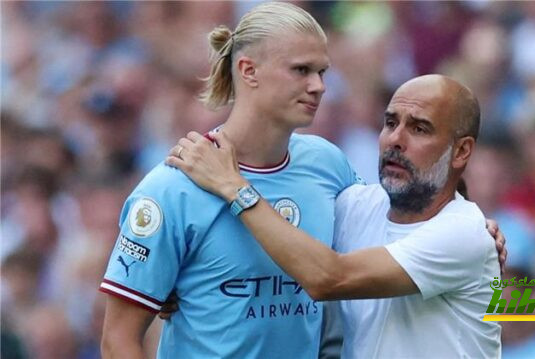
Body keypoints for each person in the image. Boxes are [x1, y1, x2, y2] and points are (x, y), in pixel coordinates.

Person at [165, 74, 502, 358]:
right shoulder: (353, 207)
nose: (395, 140)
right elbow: (279, 236)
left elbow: (328, 278)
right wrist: (190, 279)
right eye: (390, 123)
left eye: (419, 128)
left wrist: (232, 185)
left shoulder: (464, 233)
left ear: (462, 151)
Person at [99, 3, 362, 358]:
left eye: (321, 71)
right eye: (301, 70)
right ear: (248, 70)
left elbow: (369, 261)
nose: (318, 86)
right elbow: (118, 341)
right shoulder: (173, 187)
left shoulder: (329, 165)